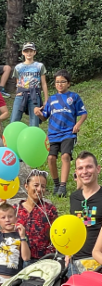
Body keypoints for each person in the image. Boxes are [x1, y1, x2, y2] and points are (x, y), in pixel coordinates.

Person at [34, 69, 87, 197]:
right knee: (51, 158)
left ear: (68, 83)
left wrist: (78, 124)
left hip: (68, 133)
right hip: (53, 134)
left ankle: (63, 186)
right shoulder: (51, 100)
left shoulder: (74, 97)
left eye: (63, 82)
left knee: (65, 156)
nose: (60, 84)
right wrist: (39, 113)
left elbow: (83, 113)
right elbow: (44, 117)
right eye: (57, 82)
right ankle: (56, 184)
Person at [14, 169, 58, 265]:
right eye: (36, 185)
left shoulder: (50, 210)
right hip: (17, 260)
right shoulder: (16, 209)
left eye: (43, 186)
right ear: (26, 186)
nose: (39, 189)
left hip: (43, 261)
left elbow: (56, 234)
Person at [69, 151, 102, 274]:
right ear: (76, 173)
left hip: (98, 263)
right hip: (75, 263)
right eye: (80, 168)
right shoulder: (74, 197)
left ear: (98, 169)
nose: (85, 171)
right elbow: (74, 227)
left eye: (89, 166)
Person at [10, 42, 48, 127]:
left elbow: (44, 83)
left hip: (34, 94)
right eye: (26, 51)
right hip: (21, 94)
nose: (29, 53)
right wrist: (18, 93)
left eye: (31, 51)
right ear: (23, 53)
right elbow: (18, 82)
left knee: (34, 120)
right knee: (14, 119)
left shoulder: (39, 66)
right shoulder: (18, 67)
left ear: (34, 52)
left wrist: (46, 99)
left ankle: (34, 139)